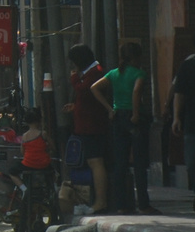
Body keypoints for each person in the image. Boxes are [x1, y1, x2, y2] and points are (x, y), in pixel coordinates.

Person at [93, 40, 153, 214]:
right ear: (136, 57)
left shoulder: (114, 73)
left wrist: (109, 109)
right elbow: (136, 92)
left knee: (121, 163)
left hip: (118, 116)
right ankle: (143, 204)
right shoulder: (139, 73)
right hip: (135, 118)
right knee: (140, 162)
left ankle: (121, 205)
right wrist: (135, 113)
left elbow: (94, 88)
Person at [65, 44, 111, 214]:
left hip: (93, 126)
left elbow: (84, 91)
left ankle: (101, 201)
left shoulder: (95, 72)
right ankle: (95, 200)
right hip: (85, 124)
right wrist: (75, 107)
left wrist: (74, 79)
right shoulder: (88, 73)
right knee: (92, 162)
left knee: (96, 161)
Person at [171, 47, 195, 215]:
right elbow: (178, 92)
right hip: (192, 123)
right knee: (192, 163)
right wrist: (176, 117)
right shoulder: (189, 64)